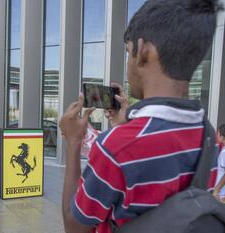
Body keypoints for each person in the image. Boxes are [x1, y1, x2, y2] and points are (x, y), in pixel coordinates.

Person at [59, 0, 221, 232]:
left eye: (128, 51)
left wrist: (74, 141)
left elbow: (74, 226)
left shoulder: (115, 148)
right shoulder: (209, 136)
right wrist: (125, 125)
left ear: (143, 50)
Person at [213, 124, 225, 202]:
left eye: (217, 133)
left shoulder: (224, 152)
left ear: (222, 136)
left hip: (221, 194)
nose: (216, 135)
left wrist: (216, 190)